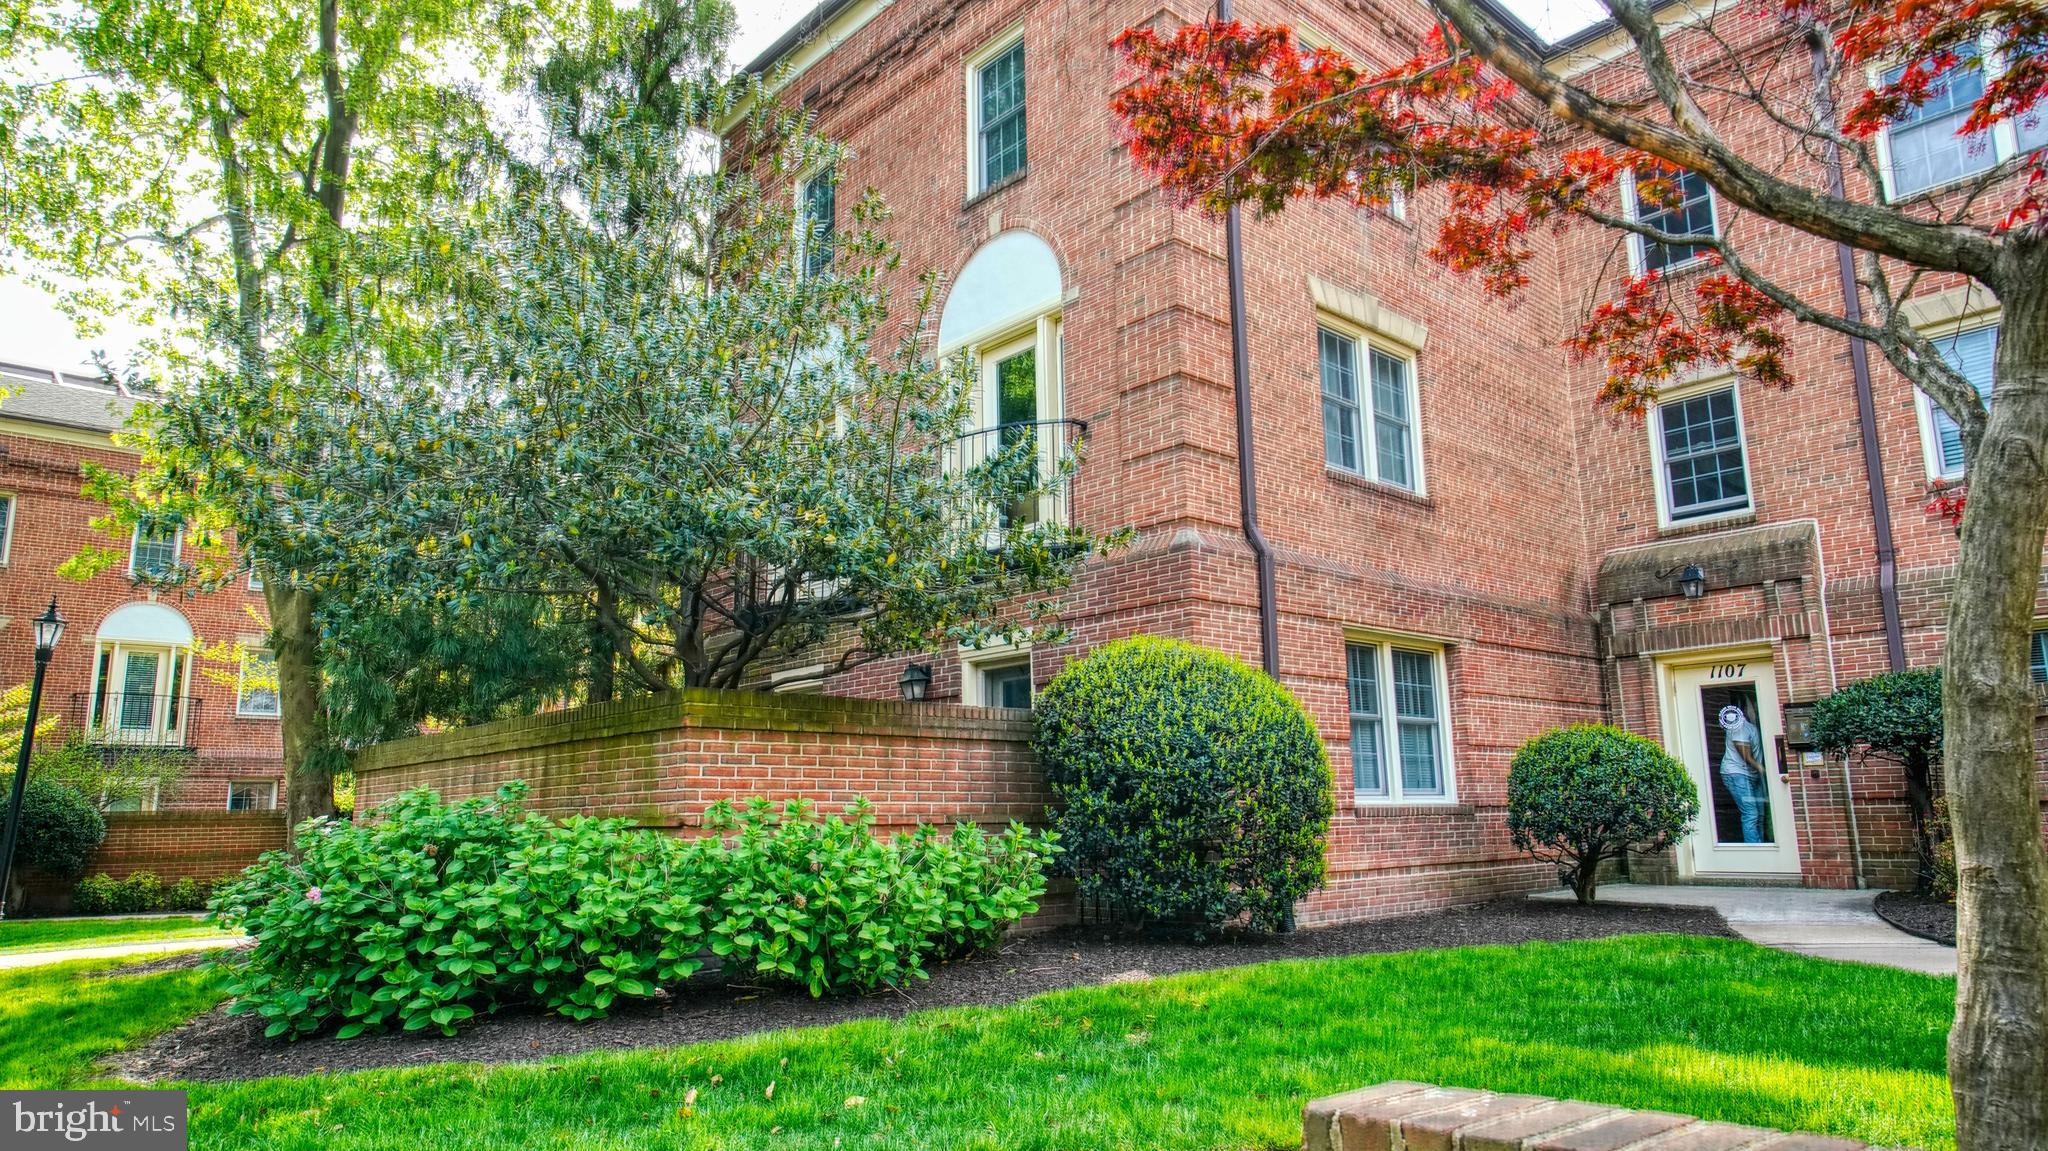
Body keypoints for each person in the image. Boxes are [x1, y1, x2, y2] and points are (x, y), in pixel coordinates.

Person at [1718, 704, 1770, 843]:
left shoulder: (1750, 726)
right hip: (1737, 774)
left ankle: (1760, 848)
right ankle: (1755, 853)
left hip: (1750, 775)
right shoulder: (1739, 727)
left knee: (1759, 814)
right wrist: (1765, 770)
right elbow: (1746, 757)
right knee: (1751, 814)